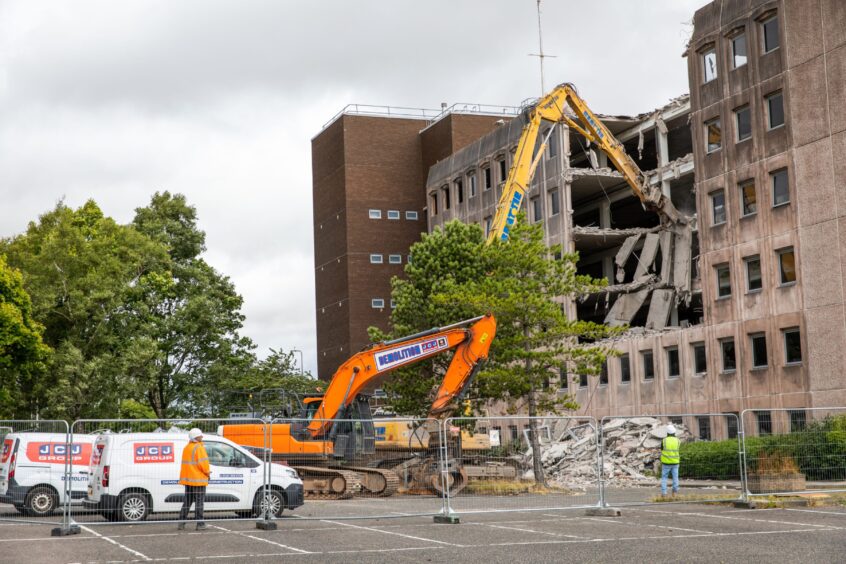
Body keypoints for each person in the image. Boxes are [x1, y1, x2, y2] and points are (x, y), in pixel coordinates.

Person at [178, 428, 211, 530]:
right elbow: (203, 464)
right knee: (199, 502)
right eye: (201, 435)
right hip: (198, 480)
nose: (202, 437)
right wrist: (208, 473)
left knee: (187, 501)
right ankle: (200, 524)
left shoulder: (187, 448)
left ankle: (181, 522)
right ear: (196, 437)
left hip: (188, 480)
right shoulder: (199, 448)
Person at [660, 424, 680, 497]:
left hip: (666, 463)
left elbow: (662, 449)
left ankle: (664, 493)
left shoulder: (664, 440)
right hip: (675, 462)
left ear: (667, 433)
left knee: (664, 478)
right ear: (674, 432)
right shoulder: (678, 441)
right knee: (675, 478)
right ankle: (674, 492)